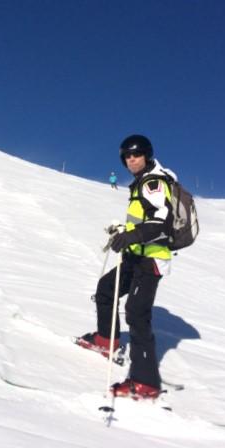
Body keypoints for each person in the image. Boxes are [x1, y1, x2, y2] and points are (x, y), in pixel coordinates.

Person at [77, 134, 177, 400]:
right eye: (127, 156)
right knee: (106, 288)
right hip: (135, 255)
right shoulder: (141, 183)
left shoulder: (154, 183)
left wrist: (131, 236)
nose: (131, 160)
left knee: (136, 313)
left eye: (136, 155)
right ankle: (106, 340)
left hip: (151, 259)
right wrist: (124, 231)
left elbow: (161, 223)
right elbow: (142, 221)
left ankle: (146, 383)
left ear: (147, 155)